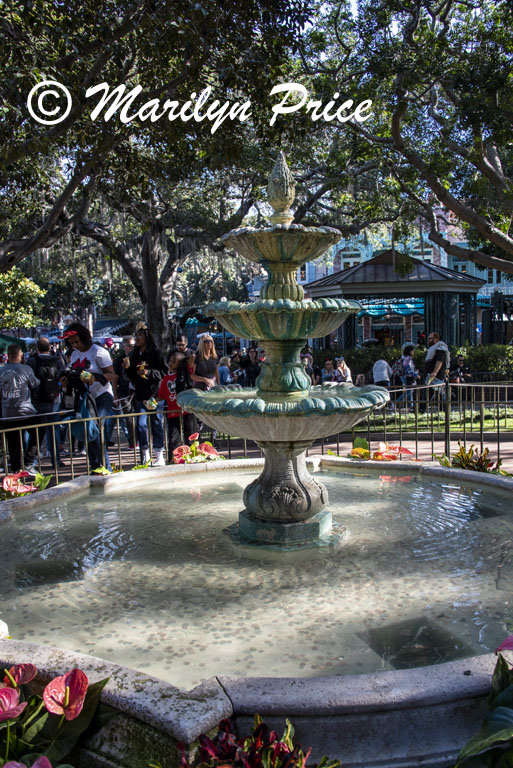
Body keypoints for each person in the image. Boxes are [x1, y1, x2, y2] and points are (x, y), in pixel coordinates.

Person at [59, 323, 116, 472]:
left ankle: (106, 468)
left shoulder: (99, 352)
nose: (75, 345)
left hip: (102, 395)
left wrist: (94, 378)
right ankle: (95, 467)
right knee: (88, 431)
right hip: (85, 398)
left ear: (84, 337)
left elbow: (111, 374)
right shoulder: (74, 354)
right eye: (71, 343)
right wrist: (66, 381)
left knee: (95, 429)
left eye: (77, 341)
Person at [123, 324, 168, 466]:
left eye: (140, 336)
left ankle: (159, 454)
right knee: (141, 425)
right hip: (140, 396)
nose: (137, 339)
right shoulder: (134, 354)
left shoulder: (155, 353)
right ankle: (145, 454)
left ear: (147, 338)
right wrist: (127, 367)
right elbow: (130, 376)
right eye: (136, 336)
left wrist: (149, 373)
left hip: (154, 396)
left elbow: (164, 372)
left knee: (156, 423)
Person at [26, 336, 66, 470]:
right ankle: (56, 460)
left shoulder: (31, 361)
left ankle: (31, 463)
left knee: (36, 432)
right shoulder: (58, 360)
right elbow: (63, 376)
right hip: (54, 399)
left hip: (36, 401)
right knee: (53, 429)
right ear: (50, 348)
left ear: (37, 348)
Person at [0, 344, 41, 473]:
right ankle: (28, 462)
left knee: (13, 443)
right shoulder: (25, 369)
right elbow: (35, 384)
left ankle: (17, 470)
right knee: (41, 430)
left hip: (7, 412)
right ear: (20, 354)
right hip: (25, 411)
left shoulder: (1, 370)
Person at [158, 351, 198, 456]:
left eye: (174, 362)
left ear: (180, 364)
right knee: (173, 437)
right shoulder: (166, 378)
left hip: (186, 410)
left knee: (190, 435)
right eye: (170, 361)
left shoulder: (186, 373)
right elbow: (161, 395)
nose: (171, 364)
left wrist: (186, 360)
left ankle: (193, 456)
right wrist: (152, 401)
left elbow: (192, 357)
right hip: (172, 412)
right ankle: (173, 458)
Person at [112, 336, 137, 448]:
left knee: (141, 418)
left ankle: (143, 440)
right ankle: (133, 441)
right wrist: (115, 395)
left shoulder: (138, 357)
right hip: (124, 392)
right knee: (129, 418)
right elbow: (115, 378)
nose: (132, 348)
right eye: (129, 346)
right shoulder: (119, 360)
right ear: (124, 346)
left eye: (133, 345)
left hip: (137, 391)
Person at [423, 331, 450, 407]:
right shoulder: (433, 349)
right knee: (432, 392)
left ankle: (443, 410)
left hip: (436, 376)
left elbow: (439, 361)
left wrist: (434, 372)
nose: (429, 340)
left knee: (436, 393)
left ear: (436, 339)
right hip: (431, 375)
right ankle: (442, 409)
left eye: (431, 338)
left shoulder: (440, 348)